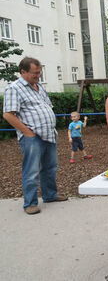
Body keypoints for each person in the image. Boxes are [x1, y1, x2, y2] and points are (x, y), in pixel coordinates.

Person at [2, 57, 68, 215]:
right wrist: (27, 132)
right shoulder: (14, 88)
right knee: (31, 171)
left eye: (40, 72)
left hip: (49, 134)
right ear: (23, 72)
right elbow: (8, 115)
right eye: (35, 73)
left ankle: (50, 195)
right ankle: (30, 203)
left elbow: (46, 106)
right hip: (32, 137)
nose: (38, 76)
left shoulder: (38, 86)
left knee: (50, 167)